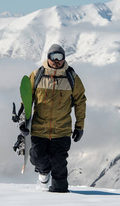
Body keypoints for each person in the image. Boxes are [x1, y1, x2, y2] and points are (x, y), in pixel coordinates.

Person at [27, 44, 86, 192]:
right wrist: (24, 121)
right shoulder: (37, 75)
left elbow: (80, 101)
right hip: (39, 128)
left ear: (64, 58)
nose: (56, 61)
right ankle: (44, 171)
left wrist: (80, 126)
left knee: (59, 163)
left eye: (59, 57)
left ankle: (60, 196)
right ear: (48, 58)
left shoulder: (72, 77)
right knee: (37, 158)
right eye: (53, 57)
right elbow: (27, 100)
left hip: (62, 130)